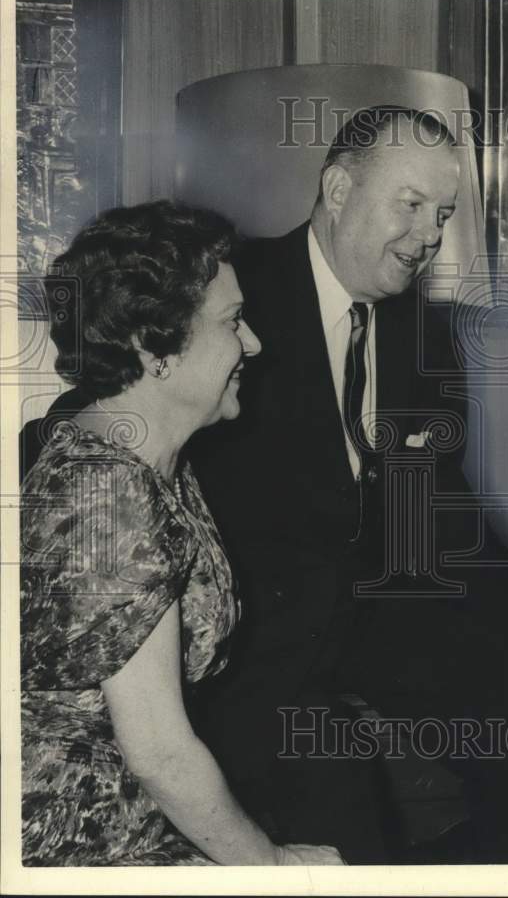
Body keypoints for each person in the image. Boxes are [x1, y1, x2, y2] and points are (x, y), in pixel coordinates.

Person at [182, 106, 508, 858]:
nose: (429, 236)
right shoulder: (232, 299)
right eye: (411, 205)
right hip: (257, 640)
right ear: (338, 188)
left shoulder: (423, 332)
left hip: (384, 624)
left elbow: (442, 505)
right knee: (344, 811)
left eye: (444, 214)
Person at [19, 201, 345, 865]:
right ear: (156, 347)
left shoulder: (157, 459)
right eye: (231, 323)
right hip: (78, 846)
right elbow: (160, 753)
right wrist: (274, 868)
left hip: (141, 823)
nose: (252, 343)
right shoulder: (106, 493)